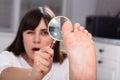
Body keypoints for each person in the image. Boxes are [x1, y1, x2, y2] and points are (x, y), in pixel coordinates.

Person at [0, 6, 96, 80]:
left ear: (55, 36)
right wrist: (32, 75)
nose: (36, 39)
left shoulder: (66, 62)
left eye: (45, 33)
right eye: (30, 32)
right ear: (21, 36)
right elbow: (3, 75)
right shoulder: (8, 57)